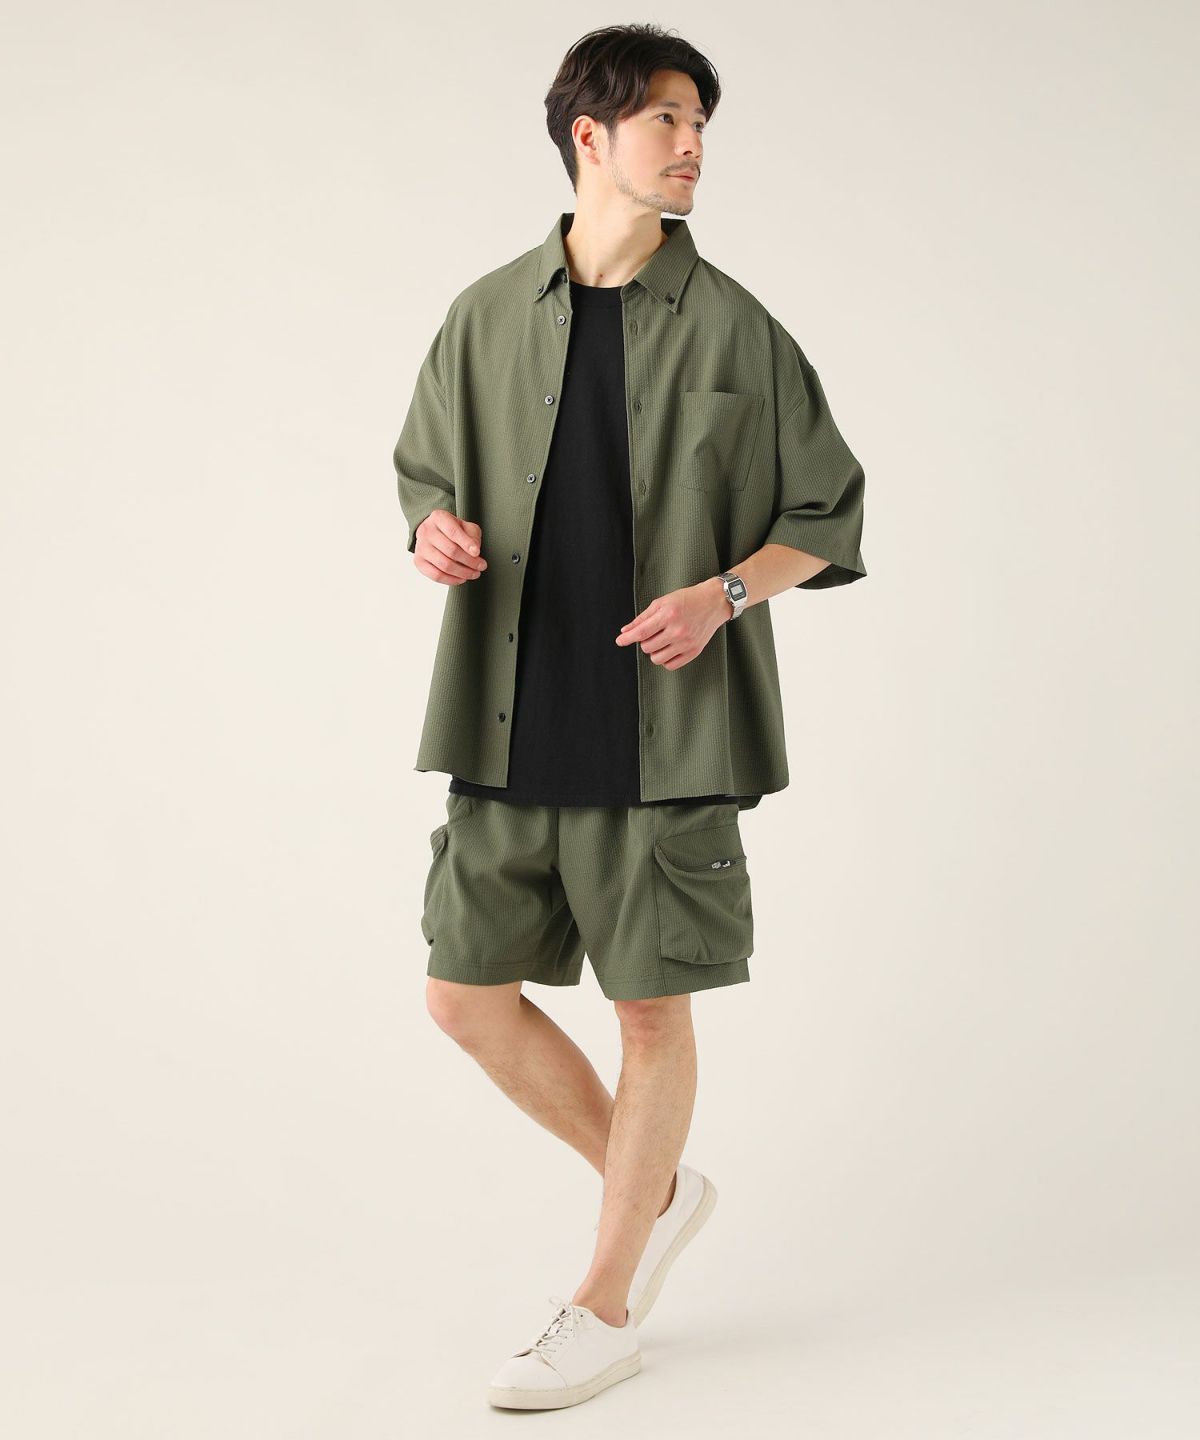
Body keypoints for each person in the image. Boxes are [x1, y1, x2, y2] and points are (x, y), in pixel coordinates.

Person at [392, 23, 867, 1410]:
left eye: (701, 122)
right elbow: (424, 473)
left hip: (668, 730)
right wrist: (431, 530)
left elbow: (828, 513)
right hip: (509, 713)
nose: (693, 143)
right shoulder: (486, 314)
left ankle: (603, 1305)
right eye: (667, 118)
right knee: (463, 994)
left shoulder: (737, 328)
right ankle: (653, 1191)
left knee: (650, 1015)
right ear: (589, 135)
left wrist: (725, 593)